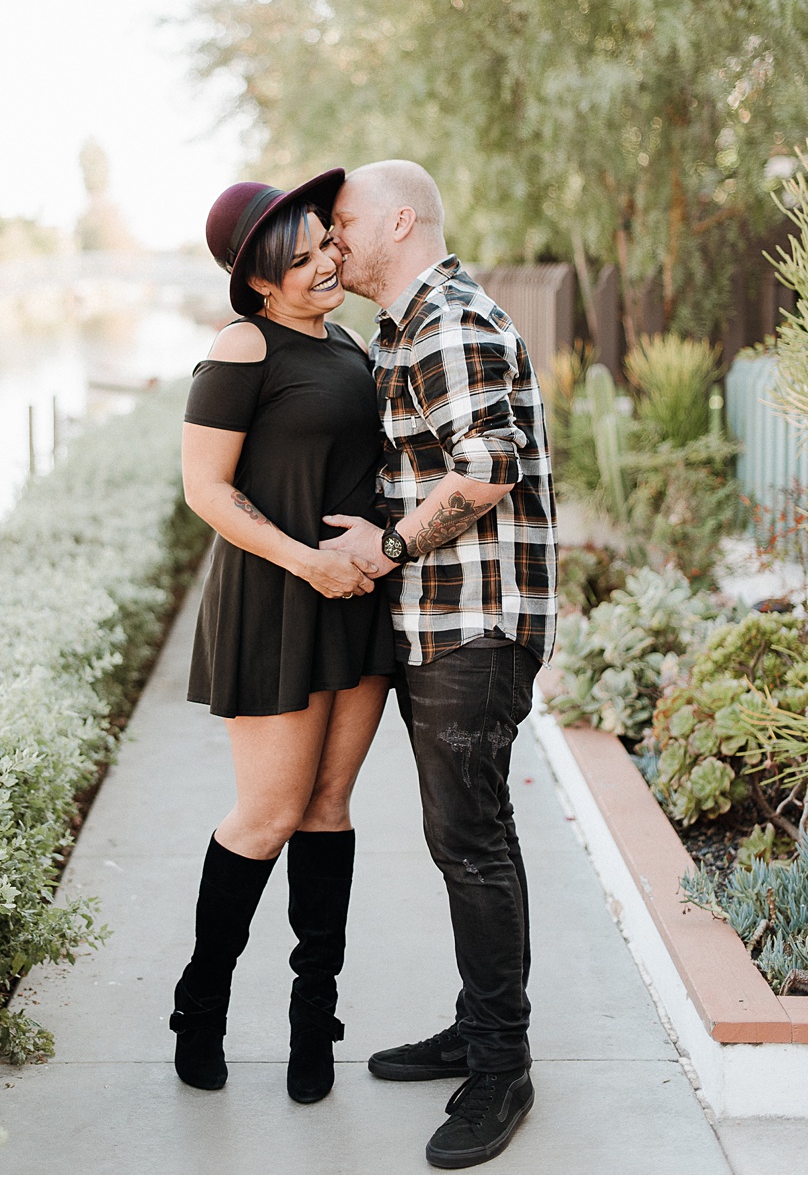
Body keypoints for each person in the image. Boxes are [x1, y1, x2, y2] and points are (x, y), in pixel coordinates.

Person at [324, 159, 558, 1170]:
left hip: (474, 628)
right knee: (465, 837)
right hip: (439, 625)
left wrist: (387, 547)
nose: (333, 242)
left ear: (401, 219)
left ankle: (501, 1066)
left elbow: (486, 466)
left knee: (471, 844)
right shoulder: (403, 329)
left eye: (344, 224)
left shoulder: (450, 322)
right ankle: (479, 1026)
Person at [170, 168, 395, 1105]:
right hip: (276, 602)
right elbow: (206, 491)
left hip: (357, 604)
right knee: (266, 815)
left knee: (329, 808)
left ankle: (315, 1018)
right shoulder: (241, 346)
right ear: (257, 281)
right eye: (297, 261)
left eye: (322, 243)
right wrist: (308, 563)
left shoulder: (346, 345)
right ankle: (201, 1002)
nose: (322, 265)